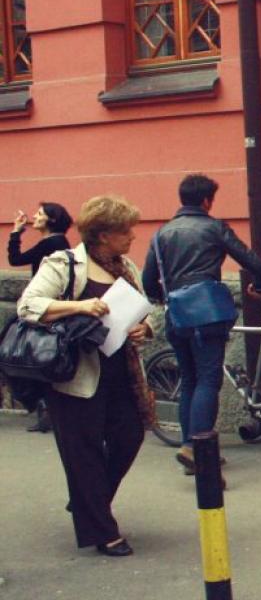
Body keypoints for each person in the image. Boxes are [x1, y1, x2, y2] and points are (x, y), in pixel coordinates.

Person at [16, 195, 155, 557]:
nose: (133, 236)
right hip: (74, 374)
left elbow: (144, 310)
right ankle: (103, 532)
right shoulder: (64, 263)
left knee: (129, 436)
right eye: (125, 231)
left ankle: (87, 501)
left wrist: (145, 328)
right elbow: (28, 305)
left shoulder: (125, 266)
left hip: (121, 372)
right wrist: (80, 305)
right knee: (84, 452)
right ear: (103, 234)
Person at [141, 174, 261, 479]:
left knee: (189, 379)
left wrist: (164, 298)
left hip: (176, 315)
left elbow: (149, 280)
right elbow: (252, 261)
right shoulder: (214, 228)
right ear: (206, 201)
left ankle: (192, 446)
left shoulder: (160, 234)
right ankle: (196, 449)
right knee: (208, 380)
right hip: (207, 315)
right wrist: (260, 284)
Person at [8, 201, 73, 432]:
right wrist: (16, 231)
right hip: (46, 306)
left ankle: (41, 406)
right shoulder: (55, 242)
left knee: (25, 353)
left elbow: (16, 260)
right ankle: (44, 409)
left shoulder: (53, 243)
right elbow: (16, 260)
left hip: (45, 308)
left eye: (39, 214)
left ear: (51, 220)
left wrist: (16, 233)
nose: (34, 216)